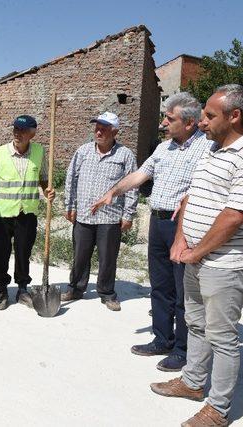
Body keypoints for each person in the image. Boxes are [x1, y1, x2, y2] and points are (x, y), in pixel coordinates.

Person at [150, 84, 243, 427]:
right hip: (196, 257)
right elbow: (189, 201)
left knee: (222, 337)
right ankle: (193, 382)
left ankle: (219, 408)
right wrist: (181, 241)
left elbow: (234, 215)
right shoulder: (211, 151)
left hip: (224, 264)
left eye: (210, 116)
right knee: (195, 324)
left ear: (234, 116)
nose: (202, 122)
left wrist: (196, 250)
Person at [92, 93, 213, 371]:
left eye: (170, 119)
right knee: (160, 286)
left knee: (184, 291)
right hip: (157, 224)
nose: (164, 122)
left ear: (190, 123)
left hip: (184, 226)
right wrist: (113, 191)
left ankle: (183, 350)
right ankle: (162, 339)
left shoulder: (206, 149)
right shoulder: (162, 148)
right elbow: (140, 175)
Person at [63, 112, 137, 311]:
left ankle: (106, 292)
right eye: (97, 127)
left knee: (107, 257)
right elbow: (71, 179)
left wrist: (128, 214)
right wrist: (69, 206)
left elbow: (132, 186)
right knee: (79, 255)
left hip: (110, 216)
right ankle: (76, 288)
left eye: (104, 128)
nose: (98, 131)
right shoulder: (83, 152)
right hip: (84, 215)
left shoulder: (125, 155)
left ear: (115, 131)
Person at [0, 115, 55, 310]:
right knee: (1, 253)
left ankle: (22, 289)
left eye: (23, 130)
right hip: (2, 214)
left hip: (27, 213)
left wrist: (47, 189)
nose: (18, 133)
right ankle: (2, 289)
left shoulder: (40, 152)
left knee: (24, 251)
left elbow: (42, 177)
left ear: (33, 133)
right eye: (15, 129)